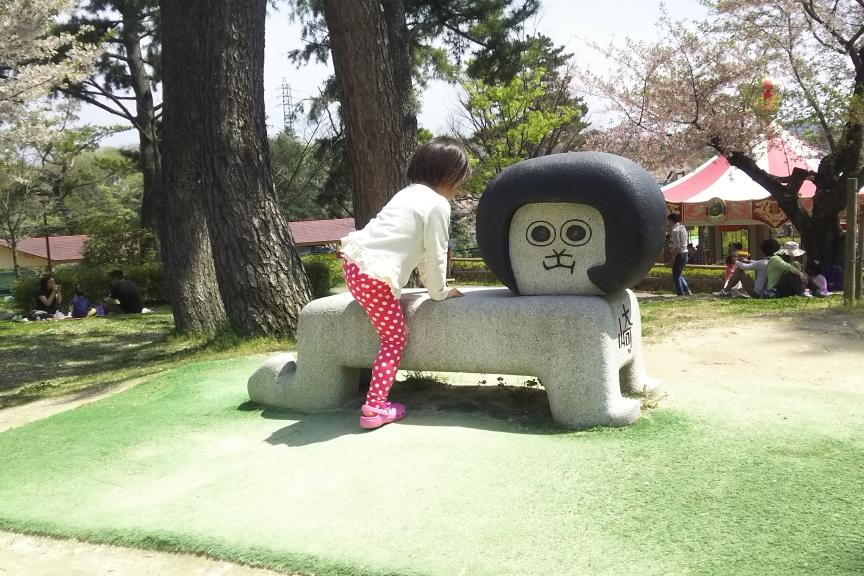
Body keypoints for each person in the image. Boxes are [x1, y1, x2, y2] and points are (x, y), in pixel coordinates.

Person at [339, 136, 470, 429]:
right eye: (460, 180)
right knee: (395, 338)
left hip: (354, 266)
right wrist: (439, 292)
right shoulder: (437, 204)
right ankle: (375, 407)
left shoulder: (408, 193)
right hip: (374, 276)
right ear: (450, 176)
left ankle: (375, 401)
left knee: (386, 323)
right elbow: (434, 254)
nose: (459, 188)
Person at [666, 213, 691, 296]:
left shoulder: (675, 230)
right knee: (679, 274)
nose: (668, 223)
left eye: (668, 221)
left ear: (671, 220)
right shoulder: (682, 227)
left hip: (679, 254)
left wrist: (673, 258)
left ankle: (680, 293)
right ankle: (687, 290)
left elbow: (677, 246)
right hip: (685, 253)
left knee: (676, 276)